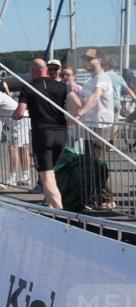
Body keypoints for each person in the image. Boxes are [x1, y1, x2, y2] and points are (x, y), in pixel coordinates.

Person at [14, 59, 68, 208]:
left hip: (43, 134)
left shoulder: (29, 88)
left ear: (34, 71)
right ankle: (52, 205)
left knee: (46, 174)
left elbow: (19, 112)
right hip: (61, 133)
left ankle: (60, 210)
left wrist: (14, 115)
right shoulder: (62, 87)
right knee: (56, 172)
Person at [75, 48, 116, 209]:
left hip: (100, 126)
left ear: (99, 59)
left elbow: (95, 96)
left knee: (97, 164)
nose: (87, 62)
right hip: (89, 126)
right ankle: (97, 197)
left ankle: (108, 199)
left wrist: (81, 112)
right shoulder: (90, 80)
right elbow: (81, 97)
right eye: (85, 59)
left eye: (90, 59)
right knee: (90, 165)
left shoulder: (103, 78)